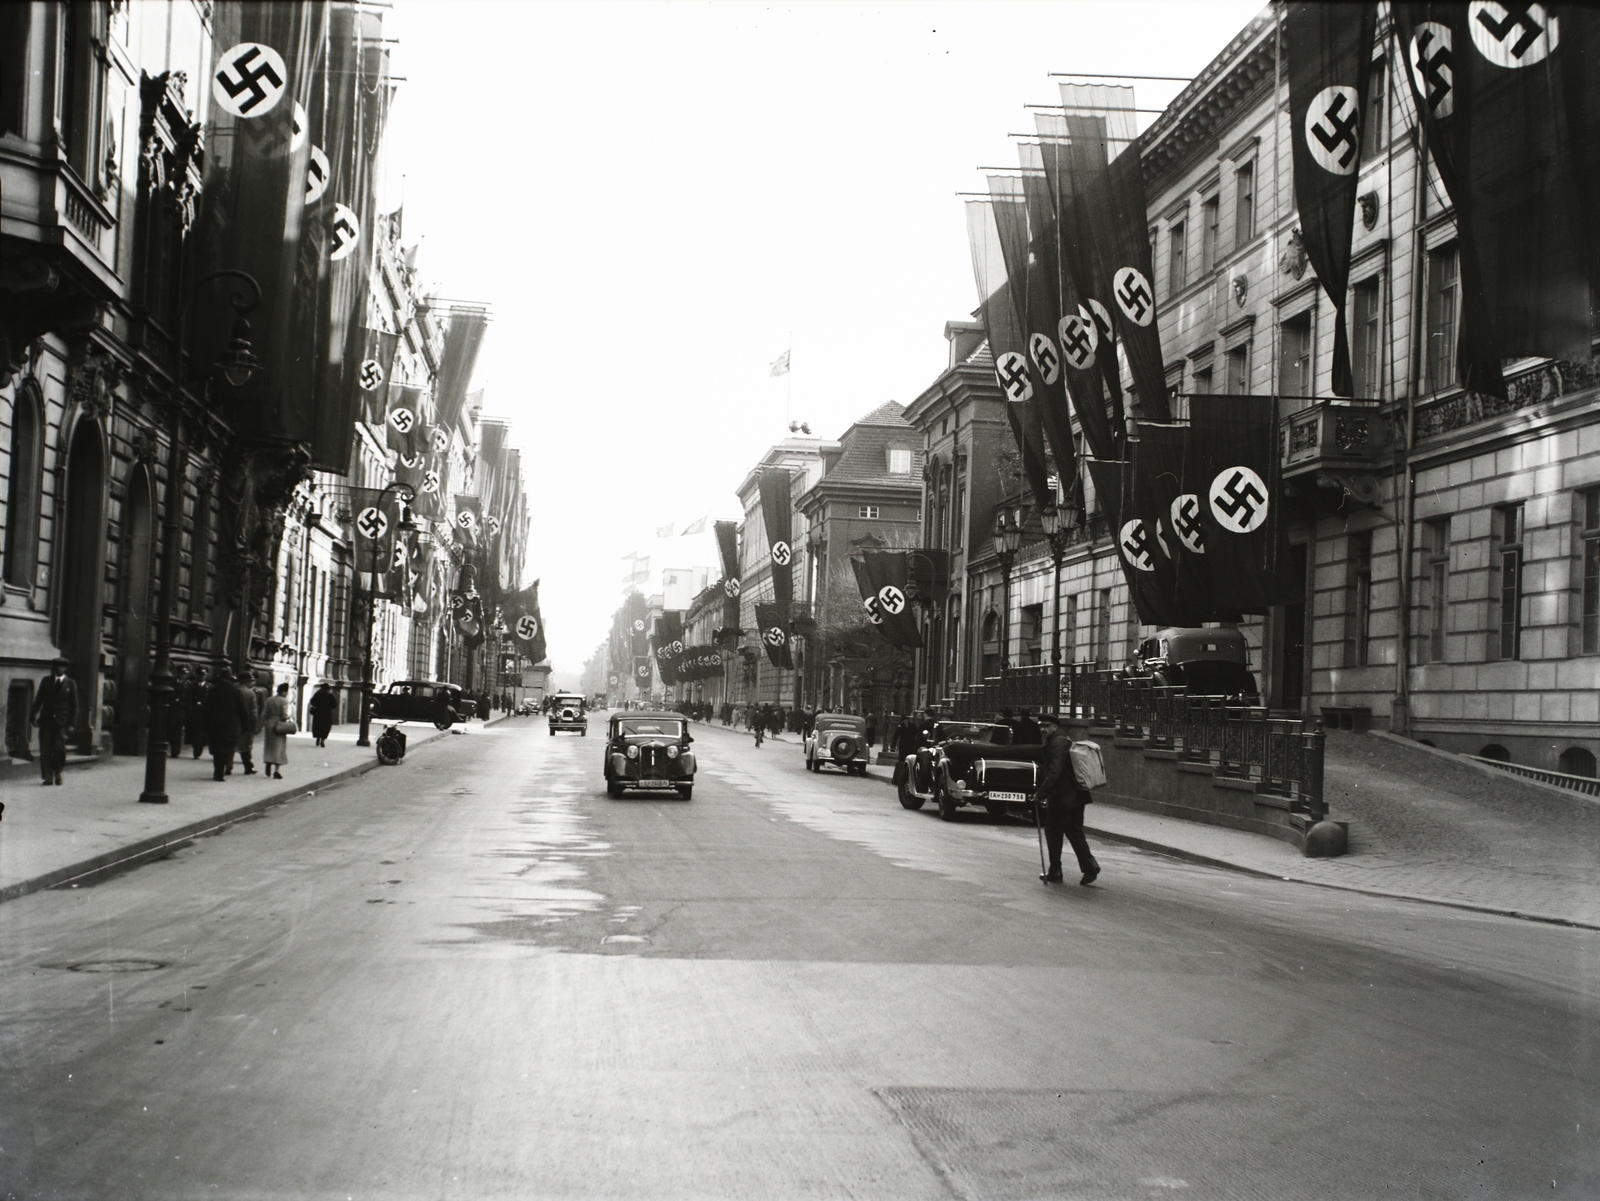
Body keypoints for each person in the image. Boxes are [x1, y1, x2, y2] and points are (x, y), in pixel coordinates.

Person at [1034, 714, 1100, 886]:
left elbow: (1054, 772)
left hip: (1062, 798)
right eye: (1040, 725)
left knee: (1053, 832)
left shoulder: (1057, 743)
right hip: (1076, 797)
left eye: (1046, 726)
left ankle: (1055, 870)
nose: (1042, 729)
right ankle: (1089, 865)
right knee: (1075, 832)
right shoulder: (1062, 740)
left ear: (1055, 726)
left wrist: (1040, 794)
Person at [29, 657, 77, 786]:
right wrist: (32, 715)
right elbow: (39, 699)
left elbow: (74, 705)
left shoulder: (70, 683)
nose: (58, 669)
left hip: (62, 722)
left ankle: (58, 773)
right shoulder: (46, 681)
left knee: (59, 749)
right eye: (56, 666)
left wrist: (72, 723)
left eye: (61, 666)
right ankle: (48, 777)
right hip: (46, 720)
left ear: (65, 668)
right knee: (45, 749)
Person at [204, 664, 249, 780]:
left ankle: (218, 771)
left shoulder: (213, 691)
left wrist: (206, 725)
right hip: (231, 725)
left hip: (215, 725)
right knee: (227, 749)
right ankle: (222, 770)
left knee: (217, 750)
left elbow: (207, 709)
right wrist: (245, 726)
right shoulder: (235, 691)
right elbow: (242, 710)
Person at [261, 682, 293, 780]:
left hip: (269, 724)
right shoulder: (284, 701)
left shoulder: (269, 699)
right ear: (284, 692)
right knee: (279, 748)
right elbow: (284, 714)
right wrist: (288, 718)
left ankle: (268, 762)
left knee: (269, 745)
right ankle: (277, 770)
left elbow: (264, 712)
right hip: (279, 725)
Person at [235, 668, 260, 775]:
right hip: (246, 723)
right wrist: (255, 725)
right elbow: (253, 712)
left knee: (232, 745)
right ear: (246, 682)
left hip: (233, 722)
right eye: (251, 681)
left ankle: (228, 767)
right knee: (246, 746)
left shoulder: (234, 690)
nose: (253, 682)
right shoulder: (250, 693)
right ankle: (248, 767)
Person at [185, 666, 210, 758]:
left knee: (202, 733)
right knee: (194, 732)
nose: (202, 677)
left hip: (204, 712)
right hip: (195, 712)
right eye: (200, 675)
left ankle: (198, 751)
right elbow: (189, 698)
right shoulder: (192, 686)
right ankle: (195, 747)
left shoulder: (209, 687)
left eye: (203, 675)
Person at [168, 665, 190, 758]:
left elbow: (189, 698)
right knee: (170, 729)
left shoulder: (187, 685)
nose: (183, 675)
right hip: (172, 708)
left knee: (178, 731)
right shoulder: (172, 683)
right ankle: (170, 747)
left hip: (181, 708)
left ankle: (175, 751)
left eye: (184, 674)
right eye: (181, 673)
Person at [308, 682, 337, 746]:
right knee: (326, 726)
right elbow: (334, 705)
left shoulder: (318, 694)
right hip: (327, 713)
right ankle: (323, 740)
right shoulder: (330, 695)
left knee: (318, 726)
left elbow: (312, 702)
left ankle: (318, 738)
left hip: (318, 712)